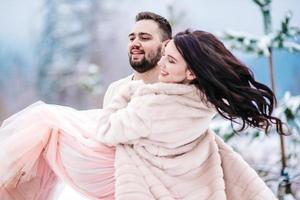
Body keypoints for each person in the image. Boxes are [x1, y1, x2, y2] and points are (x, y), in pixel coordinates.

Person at [103, 11, 172, 108]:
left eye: (144, 38)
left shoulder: (174, 92)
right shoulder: (114, 90)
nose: (134, 44)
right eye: (132, 39)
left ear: (166, 45)